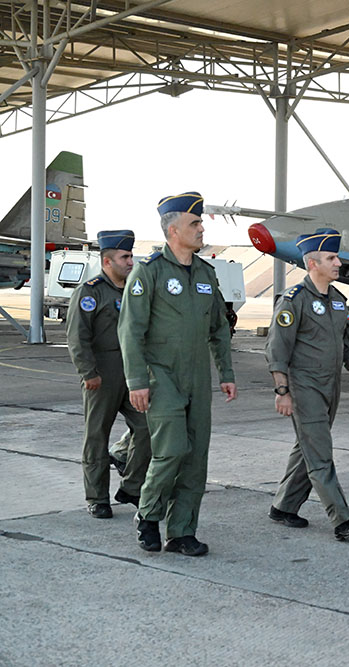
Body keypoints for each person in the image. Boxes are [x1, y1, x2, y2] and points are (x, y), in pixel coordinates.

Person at [119, 192, 237, 556]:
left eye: (200, 223)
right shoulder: (149, 272)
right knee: (171, 450)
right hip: (161, 375)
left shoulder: (206, 273)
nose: (202, 229)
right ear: (173, 230)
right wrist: (137, 381)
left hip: (197, 377)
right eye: (195, 223)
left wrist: (226, 372)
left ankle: (182, 531)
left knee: (196, 455)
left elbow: (219, 327)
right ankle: (149, 514)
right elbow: (130, 330)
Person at [265, 229, 349, 541]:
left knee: (308, 447)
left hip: (330, 385)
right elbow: (276, 349)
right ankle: (342, 519)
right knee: (320, 451)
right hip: (303, 385)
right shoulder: (293, 300)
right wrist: (282, 391)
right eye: (331, 258)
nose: (338, 262)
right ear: (312, 263)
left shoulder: (338, 301)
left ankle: (284, 507)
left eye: (336, 256)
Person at [66, 230, 151, 519]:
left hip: (133, 374)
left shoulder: (134, 289)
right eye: (124, 257)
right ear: (107, 261)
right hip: (101, 374)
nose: (130, 261)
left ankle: (132, 487)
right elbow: (78, 337)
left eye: (130, 256)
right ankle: (97, 497)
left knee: (148, 428)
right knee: (97, 437)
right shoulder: (90, 291)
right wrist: (87, 372)